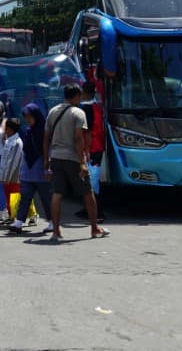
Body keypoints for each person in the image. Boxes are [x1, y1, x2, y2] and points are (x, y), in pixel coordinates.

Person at [44, 84, 110, 242]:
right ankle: (94, 228)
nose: (81, 99)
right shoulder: (78, 112)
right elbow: (79, 138)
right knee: (88, 193)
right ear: (75, 96)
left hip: (56, 157)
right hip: (73, 158)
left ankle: (56, 232)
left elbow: (46, 137)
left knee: (57, 194)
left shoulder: (53, 111)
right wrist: (82, 162)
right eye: (79, 96)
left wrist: (46, 159)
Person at [8, 104, 54, 235]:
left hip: (41, 170)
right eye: (26, 117)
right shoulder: (28, 131)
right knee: (25, 197)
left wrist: (48, 169)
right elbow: (25, 151)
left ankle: (52, 222)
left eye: (30, 116)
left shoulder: (45, 132)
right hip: (28, 171)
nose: (28, 119)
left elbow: (48, 150)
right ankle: (19, 222)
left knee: (46, 198)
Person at [77, 81, 106, 222]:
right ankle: (87, 209)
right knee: (89, 180)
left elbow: (87, 131)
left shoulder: (86, 108)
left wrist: (86, 151)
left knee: (91, 182)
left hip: (91, 148)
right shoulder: (97, 106)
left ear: (84, 92)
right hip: (97, 147)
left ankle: (97, 213)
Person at [0, 118, 24, 227]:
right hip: (6, 175)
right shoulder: (9, 141)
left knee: (14, 197)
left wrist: (7, 177)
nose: (5, 131)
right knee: (8, 196)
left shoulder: (17, 142)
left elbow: (13, 162)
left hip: (13, 176)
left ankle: (15, 218)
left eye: (7, 129)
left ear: (11, 129)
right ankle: (11, 216)